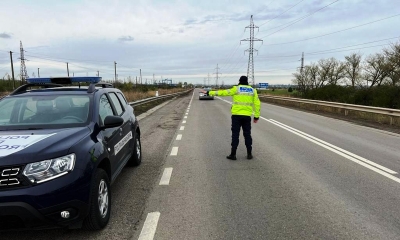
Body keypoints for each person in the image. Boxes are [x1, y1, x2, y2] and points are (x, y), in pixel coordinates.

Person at [201, 76, 261, 160]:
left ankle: (233, 154)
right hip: (247, 116)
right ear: (247, 82)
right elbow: (257, 104)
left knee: (235, 135)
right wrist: (256, 116)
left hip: (236, 116)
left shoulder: (236, 89)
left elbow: (223, 93)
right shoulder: (253, 91)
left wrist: (209, 93)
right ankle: (249, 154)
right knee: (247, 135)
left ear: (239, 81)